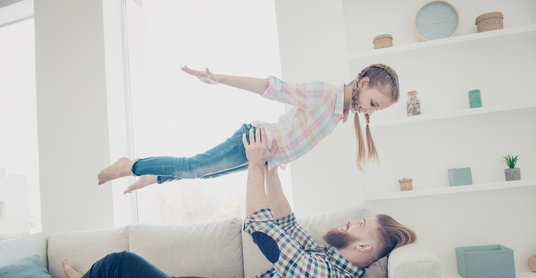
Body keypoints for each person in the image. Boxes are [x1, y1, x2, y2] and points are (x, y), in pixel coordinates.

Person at [17, 128, 416, 278]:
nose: (351, 223)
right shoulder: (331, 262)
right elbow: (287, 224)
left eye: (359, 224)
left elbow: (262, 229)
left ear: (364, 245)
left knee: (121, 264)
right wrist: (274, 171)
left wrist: (255, 165)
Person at [97, 64, 400, 194]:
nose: (369, 111)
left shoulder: (340, 112)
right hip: (253, 140)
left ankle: (153, 175)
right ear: (363, 84)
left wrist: (279, 158)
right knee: (196, 166)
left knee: (206, 173)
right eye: (373, 103)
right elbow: (274, 88)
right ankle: (131, 165)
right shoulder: (325, 95)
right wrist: (219, 78)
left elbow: (297, 132)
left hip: (262, 153)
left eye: (375, 109)